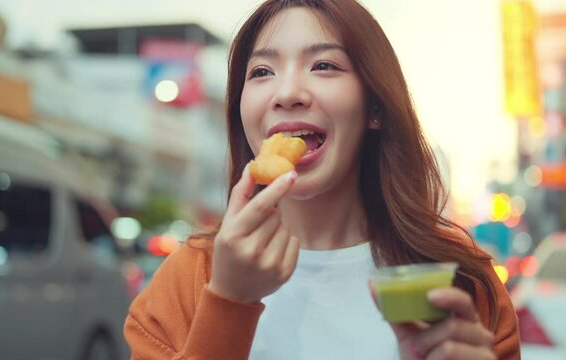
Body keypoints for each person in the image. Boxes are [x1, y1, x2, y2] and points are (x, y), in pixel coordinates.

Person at [124, 0, 520, 359]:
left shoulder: (459, 277)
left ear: (375, 108)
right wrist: (229, 300)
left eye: (324, 65)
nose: (288, 92)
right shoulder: (188, 278)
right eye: (262, 72)